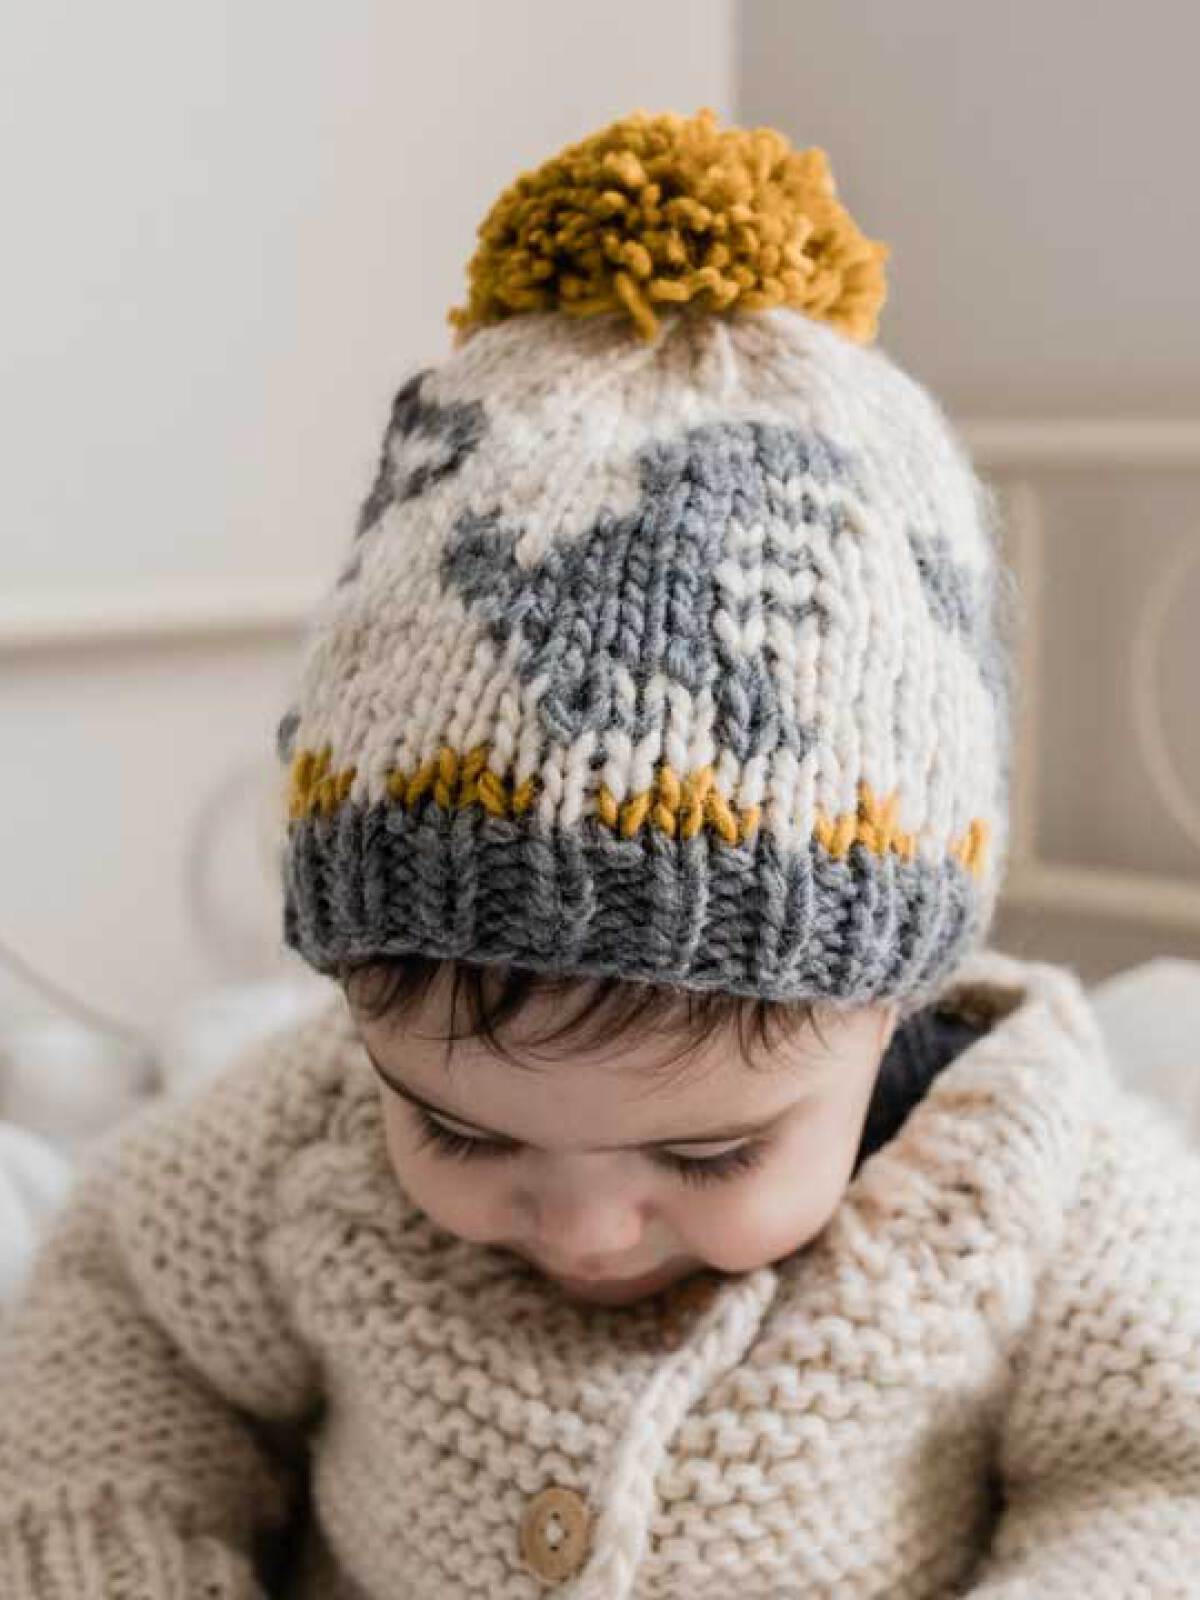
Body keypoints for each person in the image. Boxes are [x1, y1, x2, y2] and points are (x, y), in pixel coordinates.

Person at [2, 106, 1198, 1599]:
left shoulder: (1040, 1177)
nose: (579, 1224)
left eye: (709, 1152)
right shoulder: (301, 1131)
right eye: (463, 1132)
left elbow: (1160, 1474)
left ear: (893, 1005)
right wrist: (117, 1551)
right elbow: (116, 1315)